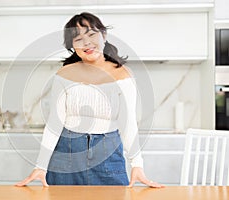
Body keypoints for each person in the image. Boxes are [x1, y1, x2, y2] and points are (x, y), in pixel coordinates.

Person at [16, 12, 163, 187]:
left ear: (104, 35)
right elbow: (55, 122)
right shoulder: (64, 75)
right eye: (78, 39)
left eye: (92, 34)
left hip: (108, 156)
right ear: (72, 46)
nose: (86, 43)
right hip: (66, 155)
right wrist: (40, 166)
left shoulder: (123, 75)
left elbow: (128, 122)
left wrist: (137, 164)